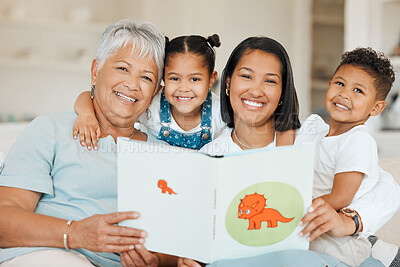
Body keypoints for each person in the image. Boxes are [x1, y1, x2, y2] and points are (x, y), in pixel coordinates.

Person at [179, 37, 400, 267]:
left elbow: (386, 186)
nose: (255, 90)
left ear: (283, 90)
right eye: (246, 76)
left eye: (270, 81)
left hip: (340, 250)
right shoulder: (210, 158)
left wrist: (351, 220)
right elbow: (197, 225)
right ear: (227, 82)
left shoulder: (308, 135)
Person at [0, 19, 177, 266]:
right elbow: (4, 220)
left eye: (146, 78)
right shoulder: (50, 130)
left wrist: (155, 261)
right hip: (45, 256)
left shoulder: (167, 156)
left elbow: (177, 247)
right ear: (96, 71)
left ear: (155, 92)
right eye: (123, 68)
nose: (132, 84)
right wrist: (75, 233)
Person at [298, 47, 398, 266]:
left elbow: (341, 197)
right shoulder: (317, 133)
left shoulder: (357, 141)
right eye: (340, 84)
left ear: (376, 108)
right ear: (330, 84)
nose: (344, 94)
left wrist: (299, 208)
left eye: (358, 91)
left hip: (339, 246)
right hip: (314, 235)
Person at [73, 34, 226, 150]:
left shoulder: (220, 112)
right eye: (174, 78)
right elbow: (88, 96)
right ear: (163, 79)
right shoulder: (153, 106)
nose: (184, 88)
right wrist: (86, 115)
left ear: (211, 80)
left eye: (194, 79)